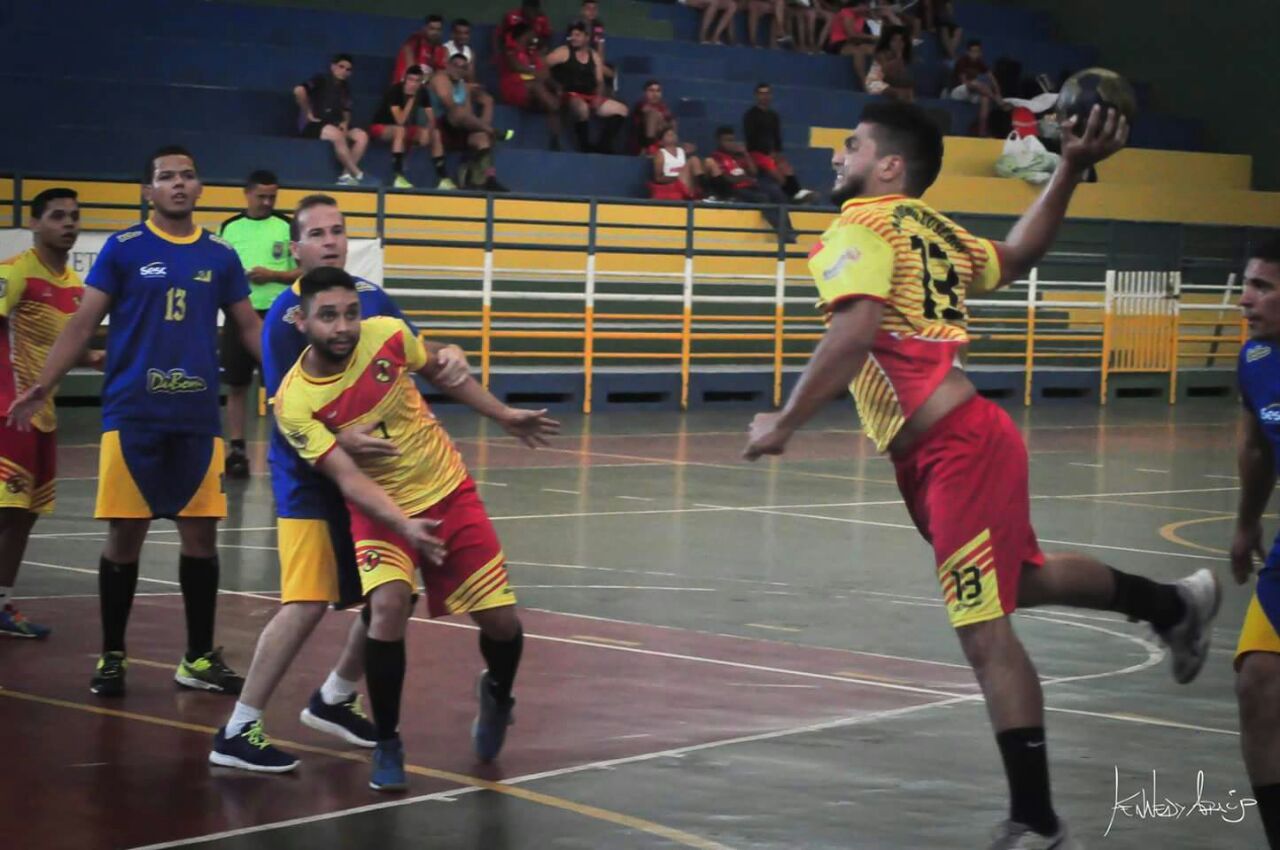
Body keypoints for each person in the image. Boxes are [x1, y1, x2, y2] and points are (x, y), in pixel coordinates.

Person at [741, 101, 1220, 849]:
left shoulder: (860, 227)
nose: (840, 152)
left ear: (890, 166)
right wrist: (1068, 165)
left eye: (855, 143)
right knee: (1019, 581)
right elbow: (1018, 255)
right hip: (941, 451)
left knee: (983, 632)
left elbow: (855, 325)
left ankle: (1036, 820)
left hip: (957, 447)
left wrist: (786, 420)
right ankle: (1173, 604)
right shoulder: (929, 228)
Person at [208, 194, 470, 773]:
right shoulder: (284, 316)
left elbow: (413, 352)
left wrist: (448, 354)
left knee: (393, 596)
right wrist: (339, 437)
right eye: (317, 233)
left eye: (338, 230)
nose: (330, 240)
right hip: (309, 478)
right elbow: (283, 405)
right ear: (295, 248)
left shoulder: (371, 300)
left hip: (373, 479)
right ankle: (239, 727)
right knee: (304, 603)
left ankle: (334, 696)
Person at [274, 266, 558, 790]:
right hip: (380, 510)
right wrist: (403, 524)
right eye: (328, 316)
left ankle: (497, 692)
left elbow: (446, 371)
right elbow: (347, 480)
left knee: (500, 624)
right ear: (303, 322)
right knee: (385, 607)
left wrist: (502, 415)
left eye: (350, 313)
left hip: (448, 491)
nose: (342, 326)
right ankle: (387, 741)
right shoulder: (294, 402)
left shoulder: (388, 334)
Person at [7, 146, 265, 697]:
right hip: (133, 413)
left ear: (199, 189)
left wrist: (290, 381)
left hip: (197, 417)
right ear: (148, 191)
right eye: (166, 177)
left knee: (201, 538)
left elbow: (248, 327)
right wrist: (43, 384)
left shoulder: (220, 255)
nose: (178, 184)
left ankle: (196, 657)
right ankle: (112, 655)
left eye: (187, 176)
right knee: (126, 536)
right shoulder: (124, 249)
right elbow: (81, 324)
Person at [0, 189, 103, 638]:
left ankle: (1, 605)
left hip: (43, 417)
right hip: (9, 413)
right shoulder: (16, 271)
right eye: (58, 216)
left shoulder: (76, 289)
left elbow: (66, 348)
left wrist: (94, 358)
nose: (69, 223)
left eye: (74, 216)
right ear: (35, 222)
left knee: (25, 515)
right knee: (5, 512)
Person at [1231, 235, 1280, 850]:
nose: (1246, 299)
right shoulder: (1256, 358)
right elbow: (1255, 447)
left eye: (1264, 287)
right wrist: (1247, 521)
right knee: (1258, 680)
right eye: (1246, 284)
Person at [218, 170, 296, 479]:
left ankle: (285, 450)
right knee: (236, 386)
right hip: (239, 316)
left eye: (272, 197)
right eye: (261, 196)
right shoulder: (230, 228)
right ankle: (237, 450)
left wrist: (273, 275)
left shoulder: (287, 226)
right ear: (247, 194)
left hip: (276, 319)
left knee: (281, 387)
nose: (266, 202)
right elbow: (219, 271)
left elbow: (303, 271)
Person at [431, 53, 511, 191]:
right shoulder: (440, 78)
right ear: (448, 66)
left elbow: (467, 113)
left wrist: (480, 124)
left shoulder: (464, 87)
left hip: (457, 128)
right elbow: (449, 104)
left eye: (463, 68)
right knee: (458, 111)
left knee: (482, 138)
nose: (458, 70)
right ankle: (492, 131)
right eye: (455, 66)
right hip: (438, 126)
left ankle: (488, 179)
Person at [547, 23, 628, 153]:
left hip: (589, 95)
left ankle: (603, 146)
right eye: (572, 35)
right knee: (582, 108)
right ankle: (584, 147)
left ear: (586, 37)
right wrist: (554, 84)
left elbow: (600, 81)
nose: (573, 38)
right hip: (570, 95)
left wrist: (599, 96)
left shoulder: (593, 55)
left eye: (577, 35)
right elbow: (542, 66)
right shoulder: (563, 52)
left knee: (621, 109)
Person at [370, 66, 455, 190]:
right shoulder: (395, 91)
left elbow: (431, 118)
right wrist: (411, 100)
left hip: (405, 129)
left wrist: (427, 131)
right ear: (405, 79)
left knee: (435, 133)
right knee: (400, 130)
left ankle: (443, 178)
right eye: (410, 80)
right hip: (381, 127)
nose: (413, 84)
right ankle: (398, 177)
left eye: (417, 81)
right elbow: (400, 121)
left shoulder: (422, 91)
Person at [706, 125, 795, 241]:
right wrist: (743, 178)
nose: (730, 143)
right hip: (735, 190)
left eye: (732, 140)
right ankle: (782, 232)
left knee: (776, 191)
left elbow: (754, 172)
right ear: (719, 141)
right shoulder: (716, 157)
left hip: (749, 186)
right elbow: (725, 179)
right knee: (763, 198)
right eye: (726, 140)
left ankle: (789, 229)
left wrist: (745, 154)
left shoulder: (737, 157)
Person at [294, 54, 369, 185]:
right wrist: (307, 113)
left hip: (335, 125)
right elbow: (299, 91)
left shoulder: (346, 89)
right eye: (341, 67)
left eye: (348, 69)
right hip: (314, 125)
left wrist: (345, 124)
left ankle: (345, 176)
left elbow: (346, 111)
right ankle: (358, 174)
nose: (344, 71)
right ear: (333, 66)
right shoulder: (320, 79)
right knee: (337, 135)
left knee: (362, 136)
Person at [742, 83, 815, 203]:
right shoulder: (750, 115)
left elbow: (776, 137)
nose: (764, 96)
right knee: (777, 174)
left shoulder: (773, 116)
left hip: (770, 153)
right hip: (756, 153)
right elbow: (750, 138)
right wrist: (765, 154)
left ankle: (797, 192)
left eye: (767, 93)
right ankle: (790, 196)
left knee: (786, 167)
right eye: (761, 93)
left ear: (770, 95)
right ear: (756, 96)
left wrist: (776, 153)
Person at [499, 25, 564, 151]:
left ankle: (555, 140)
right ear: (526, 34)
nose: (535, 37)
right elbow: (515, 67)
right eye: (532, 34)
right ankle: (555, 105)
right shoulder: (510, 49)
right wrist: (535, 73)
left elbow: (545, 73)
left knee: (548, 93)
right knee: (537, 86)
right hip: (513, 89)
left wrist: (556, 86)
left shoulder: (532, 54)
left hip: (531, 94)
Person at [444, 18, 498, 128]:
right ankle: (477, 128)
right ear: (453, 34)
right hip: (450, 88)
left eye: (466, 33)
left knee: (488, 100)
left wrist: (475, 85)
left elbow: (471, 76)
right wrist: (464, 79)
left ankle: (483, 129)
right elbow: (446, 74)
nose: (463, 36)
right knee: (466, 89)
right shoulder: (445, 49)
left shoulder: (470, 52)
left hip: (465, 86)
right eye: (459, 33)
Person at [951, 39, 1006, 137]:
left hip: (972, 93)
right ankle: (998, 101)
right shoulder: (962, 61)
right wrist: (995, 96)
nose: (975, 54)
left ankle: (982, 131)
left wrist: (998, 91)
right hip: (958, 91)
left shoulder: (980, 63)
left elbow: (991, 77)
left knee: (985, 98)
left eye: (978, 51)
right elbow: (964, 82)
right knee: (977, 84)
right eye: (973, 51)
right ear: (967, 52)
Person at [648, 126, 707, 201]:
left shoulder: (681, 151)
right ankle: (705, 192)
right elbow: (658, 178)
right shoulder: (661, 153)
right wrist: (677, 177)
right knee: (693, 160)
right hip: (673, 183)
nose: (672, 136)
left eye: (673, 134)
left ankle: (711, 192)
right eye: (668, 135)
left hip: (686, 181)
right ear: (661, 141)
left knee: (708, 162)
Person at [393, 14, 449, 83]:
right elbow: (412, 72)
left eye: (438, 30)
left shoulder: (441, 49)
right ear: (424, 28)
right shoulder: (413, 43)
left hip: (423, 88)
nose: (435, 33)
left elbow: (442, 73)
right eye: (432, 29)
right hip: (402, 87)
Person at [865, 25, 914, 102]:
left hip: (889, 83)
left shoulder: (902, 57)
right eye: (894, 40)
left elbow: (901, 75)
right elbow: (886, 72)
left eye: (901, 41)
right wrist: (898, 56)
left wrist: (899, 56)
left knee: (909, 92)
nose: (898, 43)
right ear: (888, 41)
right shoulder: (881, 54)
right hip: (874, 83)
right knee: (899, 93)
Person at [632, 79, 675, 153]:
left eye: (658, 91)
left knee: (672, 122)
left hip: (660, 141)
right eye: (651, 90)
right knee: (653, 115)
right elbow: (646, 111)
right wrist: (660, 119)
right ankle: (650, 147)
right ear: (645, 93)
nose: (655, 94)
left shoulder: (664, 108)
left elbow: (670, 124)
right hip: (641, 143)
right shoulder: (640, 105)